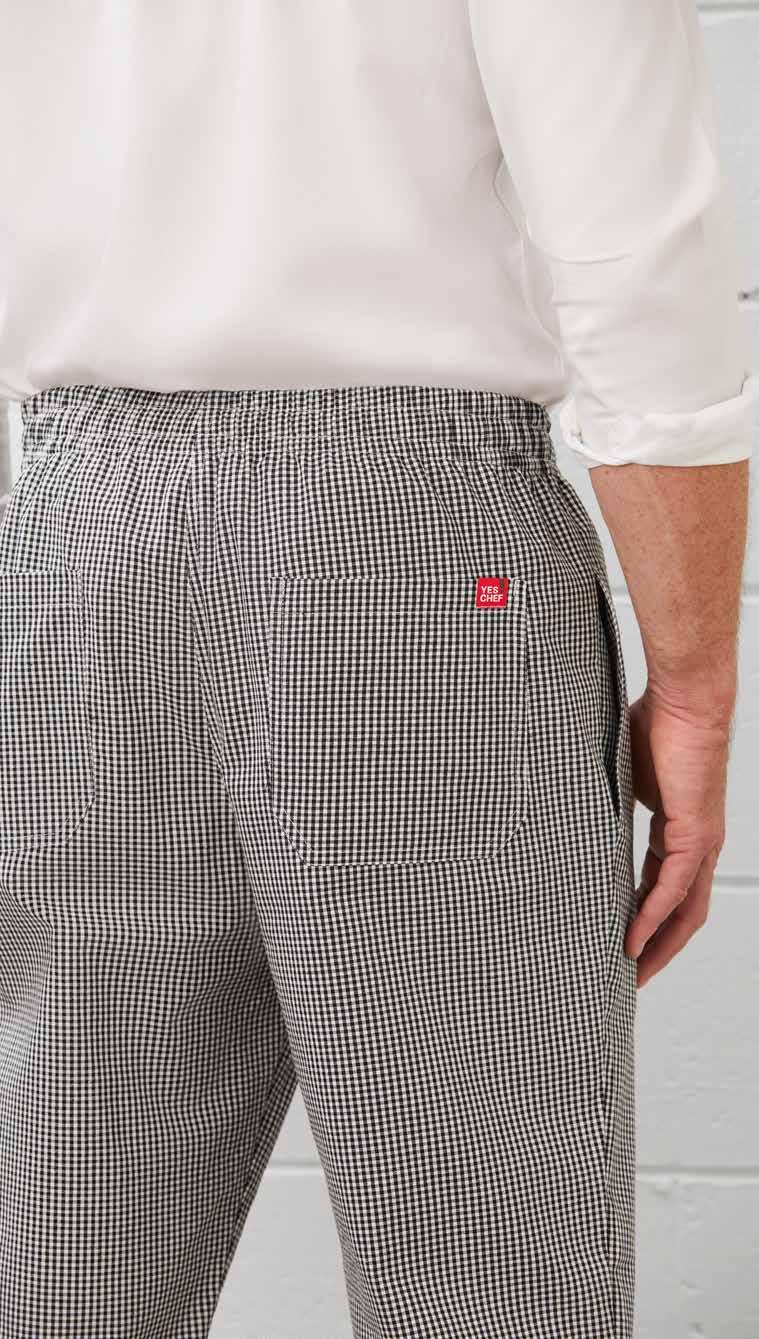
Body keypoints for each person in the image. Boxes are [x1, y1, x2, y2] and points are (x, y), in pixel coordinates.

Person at [0, 2, 755, 1337]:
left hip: (81, 540)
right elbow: (638, 259)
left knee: (68, 1248)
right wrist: (693, 686)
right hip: (412, 537)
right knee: (490, 1264)